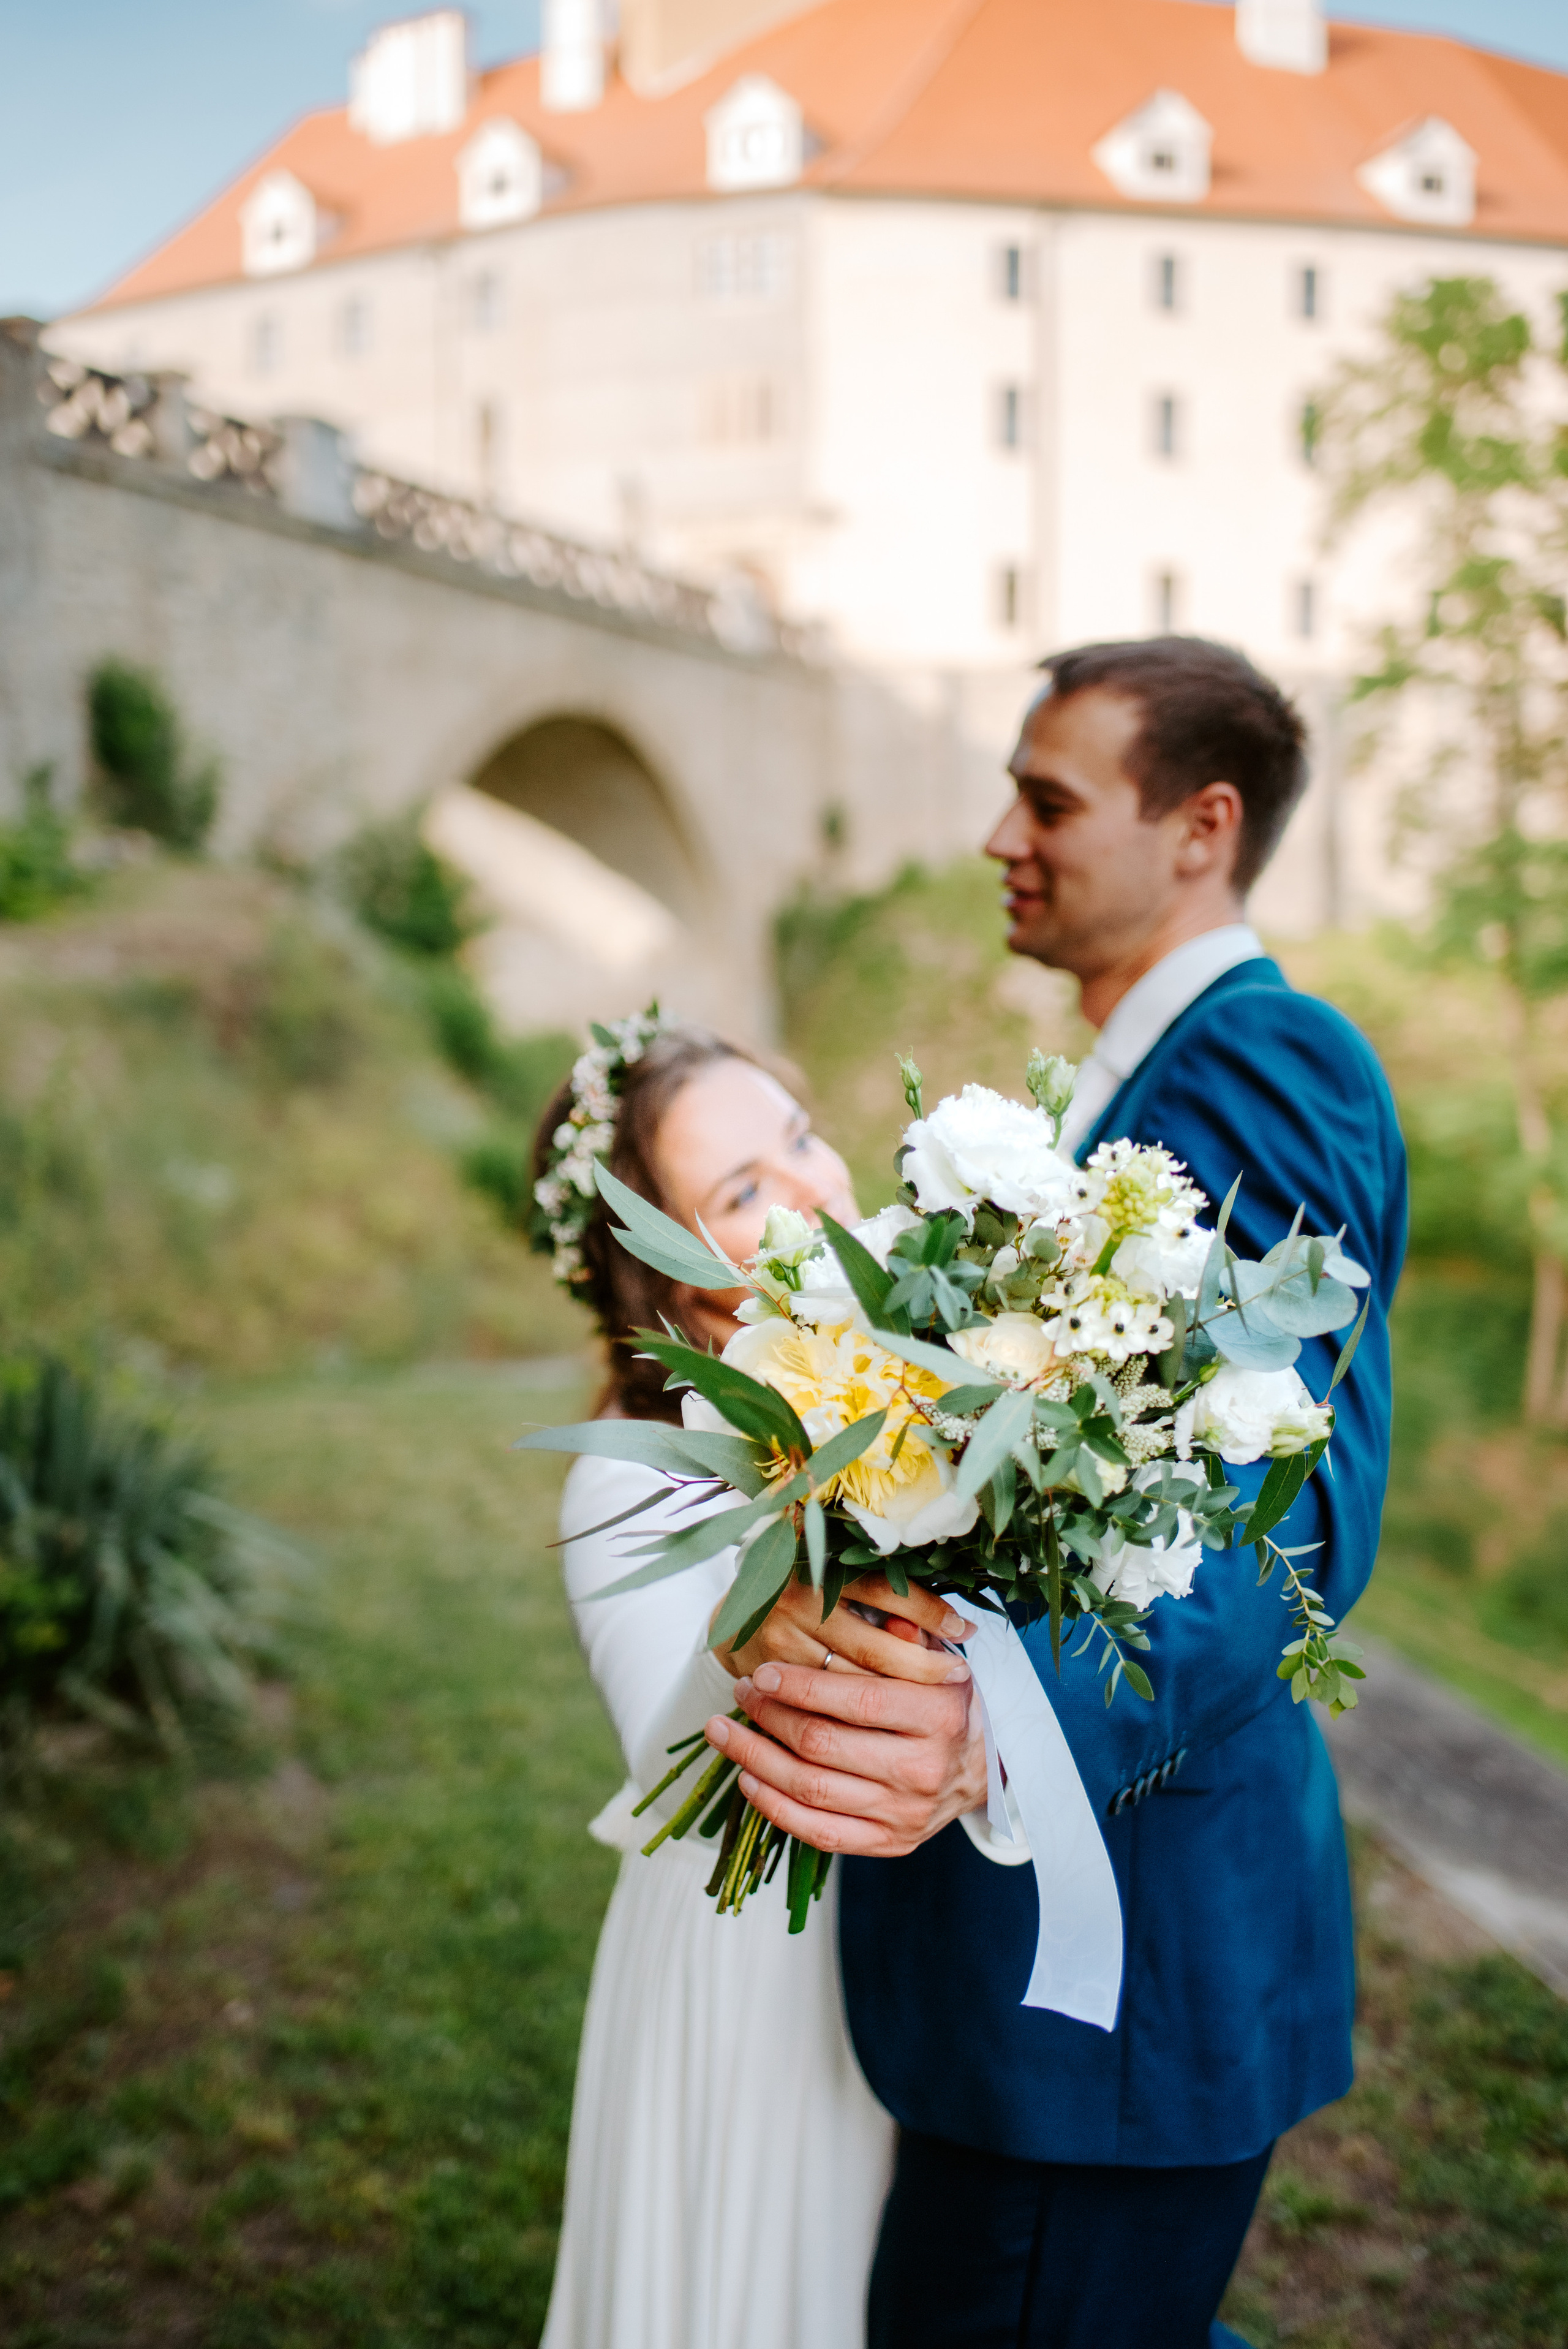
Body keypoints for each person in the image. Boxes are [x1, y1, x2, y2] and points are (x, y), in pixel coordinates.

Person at [703, 638, 1409, 2348]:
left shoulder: (1263, 1063)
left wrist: (990, 1721)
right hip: (1051, 1991)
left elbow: (1276, 1501)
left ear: (1201, 826)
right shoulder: (1132, 1083)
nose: (999, 835)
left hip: (1117, 1989)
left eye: (1048, 797)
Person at [534, 1016, 982, 2349]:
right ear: (655, 1279)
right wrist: (772, 1599)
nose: (805, 1188)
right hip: (750, 1965)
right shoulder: (626, 1471)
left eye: (795, 1138)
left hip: (929, 1935)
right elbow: (671, 1744)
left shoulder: (945, 1371)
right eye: (737, 1192)